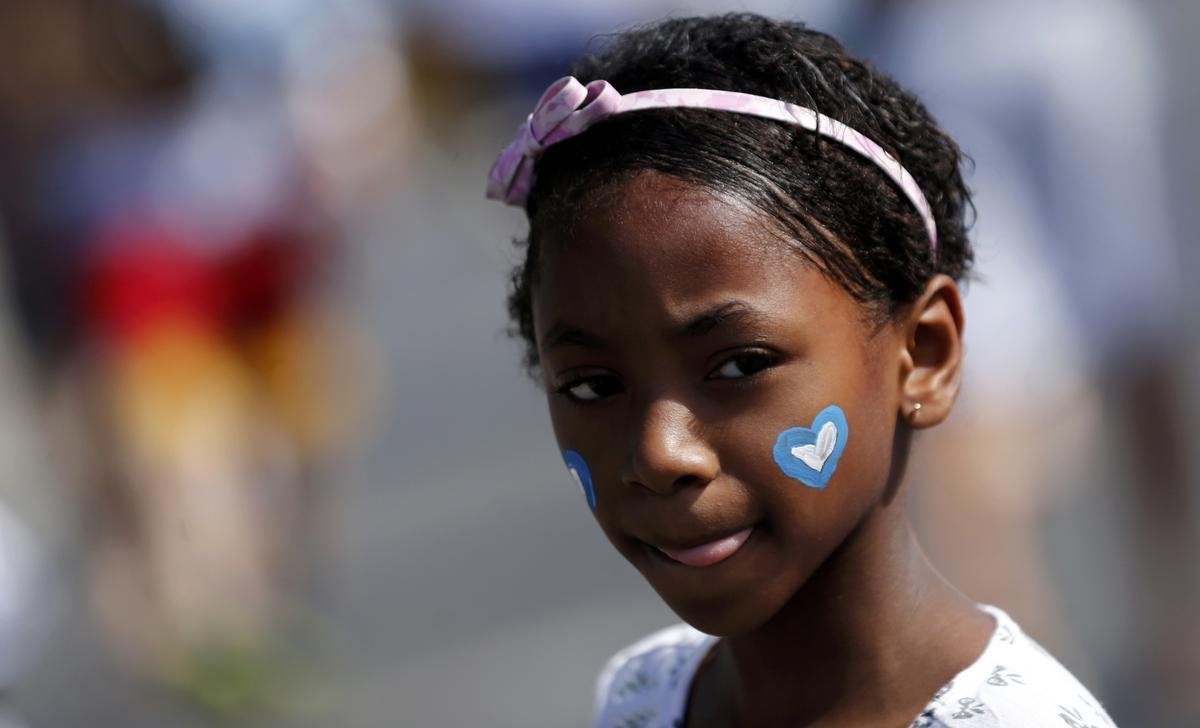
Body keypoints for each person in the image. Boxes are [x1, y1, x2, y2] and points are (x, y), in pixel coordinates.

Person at [485, 14, 1115, 728]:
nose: (661, 453)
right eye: (592, 385)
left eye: (739, 365)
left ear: (925, 355)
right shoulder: (645, 695)